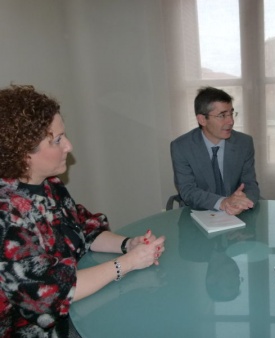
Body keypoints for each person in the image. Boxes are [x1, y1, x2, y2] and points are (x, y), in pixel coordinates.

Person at [0, 85, 166, 337]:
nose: (68, 145)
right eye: (56, 140)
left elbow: (84, 229)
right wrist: (129, 263)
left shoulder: (50, 185)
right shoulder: (6, 213)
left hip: (80, 309)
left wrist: (129, 244)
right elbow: (49, 293)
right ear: (23, 154)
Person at [170, 86, 259, 215]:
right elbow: (188, 190)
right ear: (202, 119)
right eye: (222, 115)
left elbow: (250, 184)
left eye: (231, 113)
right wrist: (223, 202)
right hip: (199, 212)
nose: (231, 121)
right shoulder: (181, 147)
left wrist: (244, 202)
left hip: (239, 212)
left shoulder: (244, 143)